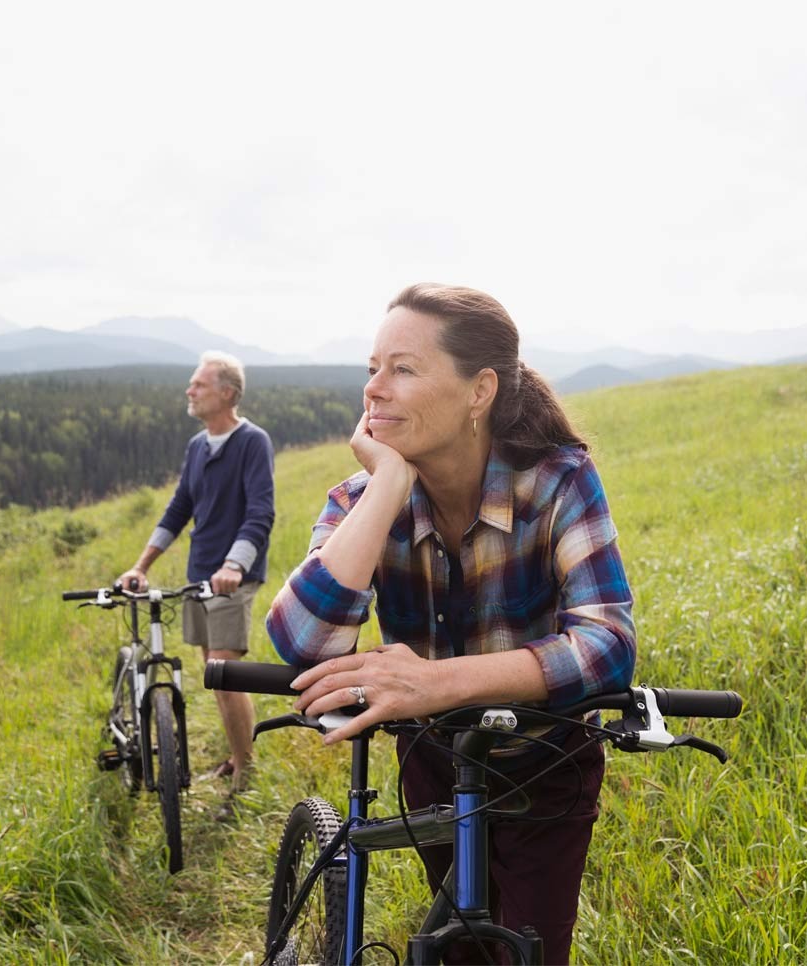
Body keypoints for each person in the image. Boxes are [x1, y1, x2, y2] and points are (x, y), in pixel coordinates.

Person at [265, 283, 636, 964]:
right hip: (432, 762)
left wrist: (441, 683)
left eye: (402, 369)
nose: (374, 389)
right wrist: (386, 488)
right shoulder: (358, 499)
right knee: (459, 947)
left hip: (544, 763)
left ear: (479, 391)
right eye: (371, 369)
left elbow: (609, 643)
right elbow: (301, 641)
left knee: (530, 951)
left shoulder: (557, 480)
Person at [118, 350, 275, 807]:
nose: (190, 390)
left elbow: (261, 512)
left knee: (225, 672)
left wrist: (235, 566)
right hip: (198, 574)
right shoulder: (196, 446)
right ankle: (237, 752)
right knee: (213, 670)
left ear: (227, 393)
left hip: (232, 576)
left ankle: (246, 772)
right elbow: (178, 509)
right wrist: (141, 565)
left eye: (199, 385)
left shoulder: (252, 442)